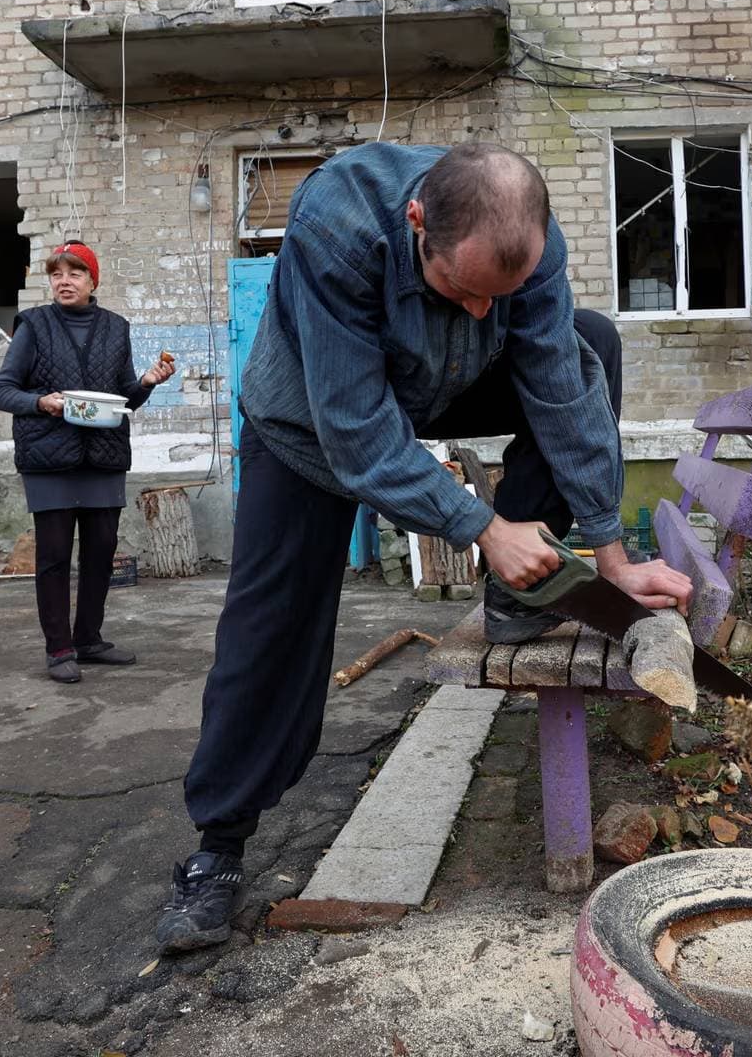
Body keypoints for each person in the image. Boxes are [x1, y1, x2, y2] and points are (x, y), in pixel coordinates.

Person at [155, 142, 693, 951]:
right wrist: (483, 526)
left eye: (499, 297)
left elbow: (560, 390)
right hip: (310, 419)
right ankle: (218, 848)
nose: (483, 311)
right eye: (461, 289)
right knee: (271, 625)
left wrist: (610, 550)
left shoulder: (527, 245)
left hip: (443, 380)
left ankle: (520, 594)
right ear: (416, 224)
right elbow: (359, 436)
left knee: (590, 343)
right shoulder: (333, 225)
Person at [0, 241, 178, 683]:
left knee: (100, 552)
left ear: (93, 281)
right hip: (49, 459)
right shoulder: (33, 325)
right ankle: (59, 650)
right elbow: (2, 392)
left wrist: (147, 382)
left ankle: (89, 639)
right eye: (57, 274)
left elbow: (122, 397)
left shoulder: (116, 327)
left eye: (74, 274)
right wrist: (42, 402)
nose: (64, 281)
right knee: (54, 556)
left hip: (104, 456)